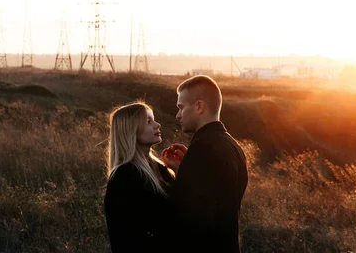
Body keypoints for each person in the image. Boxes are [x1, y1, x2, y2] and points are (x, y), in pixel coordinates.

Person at [163, 75, 248, 252]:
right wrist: (183, 170)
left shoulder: (202, 148)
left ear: (199, 106)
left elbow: (191, 216)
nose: (178, 114)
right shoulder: (234, 146)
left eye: (181, 107)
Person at [103, 101, 184, 252]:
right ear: (131, 129)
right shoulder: (124, 176)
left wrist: (178, 170)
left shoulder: (160, 169)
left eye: (153, 119)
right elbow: (124, 237)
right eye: (148, 121)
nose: (157, 124)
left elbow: (180, 208)